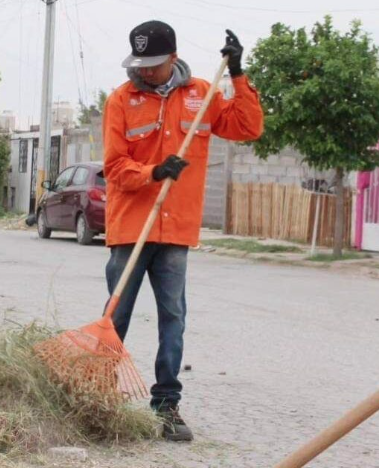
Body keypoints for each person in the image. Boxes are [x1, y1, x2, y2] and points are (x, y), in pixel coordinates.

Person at [103, 20, 263, 441]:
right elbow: (116, 167)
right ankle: (97, 397)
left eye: (154, 64)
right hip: (131, 229)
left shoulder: (200, 95)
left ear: (172, 58)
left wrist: (238, 73)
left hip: (176, 230)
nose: (146, 71)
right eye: (141, 64)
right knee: (114, 318)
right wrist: (154, 171)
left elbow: (248, 127)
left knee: (172, 319)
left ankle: (167, 406)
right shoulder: (122, 100)